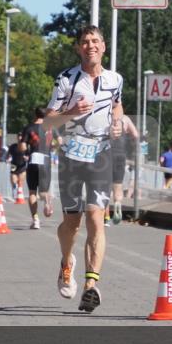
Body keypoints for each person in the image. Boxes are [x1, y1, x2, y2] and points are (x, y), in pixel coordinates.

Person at [43, 25, 123, 313]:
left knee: (95, 218)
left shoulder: (115, 79)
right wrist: (70, 113)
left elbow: (117, 105)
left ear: (103, 46)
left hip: (100, 155)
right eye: (85, 42)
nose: (90, 46)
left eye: (95, 41)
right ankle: (67, 262)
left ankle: (91, 285)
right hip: (72, 157)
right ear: (79, 47)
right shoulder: (66, 79)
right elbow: (48, 122)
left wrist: (117, 121)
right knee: (72, 224)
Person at [21, 107, 54, 229]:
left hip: (34, 158)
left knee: (32, 191)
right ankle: (46, 201)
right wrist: (52, 147)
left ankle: (35, 219)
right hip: (46, 159)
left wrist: (23, 146)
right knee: (44, 191)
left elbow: (23, 147)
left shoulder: (29, 128)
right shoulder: (51, 128)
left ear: (35, 115)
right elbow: (59, 142)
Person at [108, 113, 138, 224]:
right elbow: (136, 135)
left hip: (106, 154)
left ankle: (104, 213)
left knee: (105, 184)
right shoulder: (125, 119)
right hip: (121, 153)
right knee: (118, 184)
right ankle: (118, 203)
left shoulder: (105, 116)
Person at [8, 134, 29, 199]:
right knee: (14, 181)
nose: (20, 139)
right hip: (14, 165)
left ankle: (19, 195)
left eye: (21, 138)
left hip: (22, 165)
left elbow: (29, 155)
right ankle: (14, 190)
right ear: (17, 138)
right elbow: (8, 155)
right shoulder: (13, 146)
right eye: (19, 138)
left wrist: (27, 158)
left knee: (20, 182)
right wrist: (8, 158)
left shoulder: (26, 147)